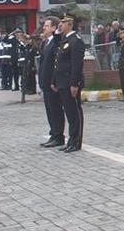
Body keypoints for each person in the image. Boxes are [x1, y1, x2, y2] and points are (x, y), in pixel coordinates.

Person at [53, 13, 85, 153]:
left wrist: (74, 83)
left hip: (69, 82)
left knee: (73, 112)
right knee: (68, 111)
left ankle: (75, 141)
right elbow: (58, 62)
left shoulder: (75, 40)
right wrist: (54, 80)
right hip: (62, 81)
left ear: (70, 24)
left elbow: (76, 65)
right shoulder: (64, 39)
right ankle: (71, 140)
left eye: (63, 22)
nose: (60, 25)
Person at [38, 16, 64, 148]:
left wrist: (54, 80)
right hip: (45, 82)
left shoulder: (55, 42)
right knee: (49, 110)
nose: (44, 27)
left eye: (47, 25)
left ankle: (58, 136)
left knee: (55, 110)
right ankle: (53, 133)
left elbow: (55, 64)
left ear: (54, 27)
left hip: (51, 82)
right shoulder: (46, 42)